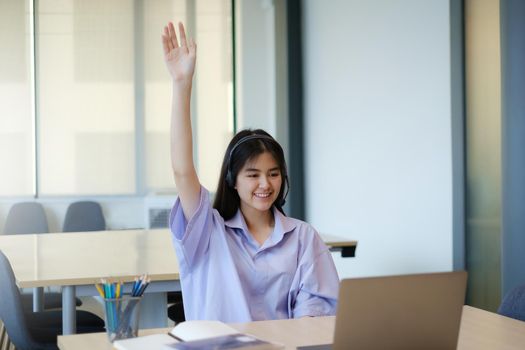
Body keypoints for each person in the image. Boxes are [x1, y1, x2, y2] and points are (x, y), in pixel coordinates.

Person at [163, 21, 339, 323]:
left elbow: (316, 320)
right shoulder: (208, 231)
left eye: (273, 173)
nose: (265, 184)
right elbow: (182, 171)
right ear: (232, 180)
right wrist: (182, 84)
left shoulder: (303, 238)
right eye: (253, 174)